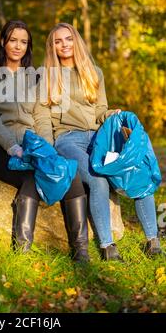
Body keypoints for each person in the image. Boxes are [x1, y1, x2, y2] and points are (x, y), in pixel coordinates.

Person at [42, 22, 164, 259]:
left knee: (135, 171)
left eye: (68, 39)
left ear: (76, 41)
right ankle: (107, 246)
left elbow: (100, 111)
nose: (64, 45)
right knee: (98, 180)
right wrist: (49, 148)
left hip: (98, 136)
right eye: (58, 41)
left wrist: (113, 115)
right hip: (67, 140)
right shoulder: (46, 77)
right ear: (52, 47)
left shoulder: (93, 72)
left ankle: (153, 241)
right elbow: (44, 118)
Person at [0, 20, 89, 262]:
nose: (18, 46)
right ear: (3, 41)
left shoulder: (34, 77)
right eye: (13, 40)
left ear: (28, 46)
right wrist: (12, 147)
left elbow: (41, 116)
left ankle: (80, 252)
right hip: (0, 148)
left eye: (24, 42)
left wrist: (47, 148)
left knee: (70, 174)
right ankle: (22, 252)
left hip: (33, 145)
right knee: (31, 178)